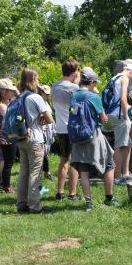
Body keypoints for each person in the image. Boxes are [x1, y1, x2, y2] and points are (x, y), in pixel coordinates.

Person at [70, 69, 119, 212]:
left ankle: (88, 203)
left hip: (77, 137)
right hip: (93, 136)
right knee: (110, 163)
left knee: (84, 170)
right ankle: (109, 198)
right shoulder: (93, 97)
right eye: (94, 83)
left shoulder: (73, 95)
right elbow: (103, 118)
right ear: (91, 82)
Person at [16, 68, 54, 214]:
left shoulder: (19, 97)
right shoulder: (35, 97)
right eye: (37, 79)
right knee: (35, 173)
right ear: (32, 79)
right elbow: (49, 119)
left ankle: (21, 204)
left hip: (22, 138)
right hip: (35, 139)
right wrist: (41, 118)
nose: (38, 82)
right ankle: (35, 206)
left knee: (24, 172)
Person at [51, 59, 81, 201]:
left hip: (61, 128)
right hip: (73, 128)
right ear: (74, 73)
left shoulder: (54, 86)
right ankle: (72, 193)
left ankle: (60, 192)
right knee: (74, 161)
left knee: (64, 160)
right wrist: (76, 83)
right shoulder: (74, 88)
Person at [107, 61, 132, 184]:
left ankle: (126, 172)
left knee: (127, 143)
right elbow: (123, 98)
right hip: (119, 115)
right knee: (119, 146)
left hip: (112, 114)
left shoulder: (114, 78)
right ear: (131, 71)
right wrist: (126, 116)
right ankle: (117, 177)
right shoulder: (124, 78)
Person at [0, 79, 19, 193]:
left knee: (9, 161)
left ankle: (5, 184)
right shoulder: (1, 106)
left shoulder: (8, 103)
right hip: (6, 138)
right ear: (3, 92)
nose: (12, 93)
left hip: (10, 136)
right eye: (10, 91)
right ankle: (6, 186)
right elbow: (10, 119)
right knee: (8, 162)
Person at [38, 85, 55, 181]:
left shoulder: (46, 102)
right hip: (43, 128)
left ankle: (45, 172)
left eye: (48, 94)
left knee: (47, 150)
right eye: (46, 94)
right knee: (43, 151)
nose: (47, 95)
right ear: (41, 92)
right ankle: (45, 172)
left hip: (49, 128)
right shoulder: (39, 102)